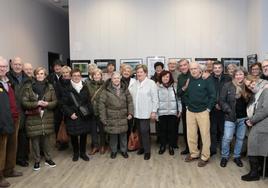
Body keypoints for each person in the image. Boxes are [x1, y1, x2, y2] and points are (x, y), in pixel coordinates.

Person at [21, 67, 57, 171]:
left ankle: (48, 159)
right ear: (35, 75)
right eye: (38, 73)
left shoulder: (50, 87)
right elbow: (24, 103)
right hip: (33, 117)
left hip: (46, 116)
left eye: (42, 73)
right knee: (35, 140)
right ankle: (37, 160)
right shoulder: (28, 87)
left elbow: (55, 101)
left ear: (45, 75)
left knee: (46, 140)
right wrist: (36, 103)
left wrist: (48, 104)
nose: (40, 75)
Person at [184, 62, 216, 167]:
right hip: (190, 112)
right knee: (191, 135)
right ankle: (194, 154)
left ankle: (205, 157)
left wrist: (208, 109)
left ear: (200, 69)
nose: (193, 70)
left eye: (195, 68)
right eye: (191, 69)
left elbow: (213, 95)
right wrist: (187, 105)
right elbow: (185, 94)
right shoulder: (189, 79)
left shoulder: (207, 79)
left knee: (205, 135)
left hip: (203, 111)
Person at [219, 67, 250, 168]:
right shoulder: (227, 85)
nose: (238, 76)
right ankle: (224, 156)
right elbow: (221, 100)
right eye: (237, 74)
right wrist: (228, 110)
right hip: (230, 117)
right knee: (227, 138)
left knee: (240, 138)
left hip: (244, 118)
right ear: (234, 76)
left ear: (244, 75)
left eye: (241, 74)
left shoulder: (248, 86)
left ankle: (237, 156)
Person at [99, 72, 134, 159]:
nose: (116, 80)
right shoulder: (106, 90)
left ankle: (124, 150)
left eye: (118, 78)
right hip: (111, 116)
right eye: (114, 78)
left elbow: (130, 102)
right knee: (113, 135)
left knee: (123, 135)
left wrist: (130, 113)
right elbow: (101, 105)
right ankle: (113, 151)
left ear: (120, 78)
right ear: (111, 79)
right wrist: (103, 118)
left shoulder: (125, 89)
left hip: (123, 115)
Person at [0, 56, 22, 187]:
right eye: (0, 67)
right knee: (1, 149)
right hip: (2, 120)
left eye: (4, 67)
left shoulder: (7, 81)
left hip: (14, 118)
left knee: (12, 146)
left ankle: (9, 169)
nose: (2, 69)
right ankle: (0, 175)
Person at [62, 69, 93, 162]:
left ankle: (83, 153)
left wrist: (89, 111)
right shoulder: (66, 88)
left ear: (81, 76)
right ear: (71, 76)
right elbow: (63, 104)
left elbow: (88, 101)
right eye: (74, 75)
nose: (76, 77)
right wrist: (70, 114)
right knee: (74, 135)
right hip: (73, 115)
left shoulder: (85, 87)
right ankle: (76, 153)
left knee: (84, 135)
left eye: (78, 75)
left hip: (84, 115)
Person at [129, 64, 158, 160]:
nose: (139, 74)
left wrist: (154, 111)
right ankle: (141, 147)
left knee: (145, 131)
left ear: (145, 73)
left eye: (141, 72)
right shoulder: (135, 84)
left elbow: (155, 99)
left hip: (146, 112)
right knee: (139, 132)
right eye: (137, 72)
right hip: (136, 113)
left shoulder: (151, 83)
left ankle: (147, 151)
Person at [241, 76, 268, 181]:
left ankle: (254, 173)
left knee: (252, 143)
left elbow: (265, 110)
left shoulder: (265, 91)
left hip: (264, 122)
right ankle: (260, 170)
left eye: (252, 82)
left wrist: (252, 120)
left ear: (257, 80)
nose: (251, 86)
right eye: (248, 85)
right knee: (256, 146)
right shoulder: (256, 94)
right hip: (259, 121)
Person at [6, 57, 30, 167]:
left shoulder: (27, 79)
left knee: (23, 136)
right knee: (11, 138)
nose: (17, 66)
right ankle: (11, 160)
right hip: (11, 112)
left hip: (25, 111)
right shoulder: (6, 77)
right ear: (11, 65)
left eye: (20, 64)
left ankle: (22, 158)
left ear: (22, 66)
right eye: (15, 64)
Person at [210, 61, 231, 156]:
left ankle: (224, 150)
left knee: (224, 131)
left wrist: (222, 105)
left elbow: (230, 93)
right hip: (212, 109)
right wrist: (215, 103)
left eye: (219, 67)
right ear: (213, 69)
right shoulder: (209, 78)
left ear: (222, 69)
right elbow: (208, 93)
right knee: (212, 130)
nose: (217, 69)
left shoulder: (228, 78)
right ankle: (213, 149)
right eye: (215, 68)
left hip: (225, 109)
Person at [157, 70, 181, 155]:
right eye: (164, 77)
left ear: (170, 78)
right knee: (162, 131)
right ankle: (162, 146)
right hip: (162, 113)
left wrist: (180, 110)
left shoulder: (174, 87)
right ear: (161, 78)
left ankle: (171, 146)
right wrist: (156, 113)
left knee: (172, 130)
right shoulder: (158, 87)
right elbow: (156, 101)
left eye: (167, 77)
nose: (165, 78)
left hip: (172, 113)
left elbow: (179, 100)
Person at [85, 68, 106, 155]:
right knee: (93, 130)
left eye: (99, 75)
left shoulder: (105, 85)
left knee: (102, 130)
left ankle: (102, 146)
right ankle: (95, 146)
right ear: (92, 76)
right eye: (95, 75)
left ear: (101, 76)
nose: (97, 76)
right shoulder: (87, 85)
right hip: (92, 111)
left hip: (102, 111)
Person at [54, 65, 72, 151]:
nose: (65, 74)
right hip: (60, 109)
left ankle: (70, 142)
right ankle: (61, 142)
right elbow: (57, 96)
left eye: (67, 72)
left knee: (71, 126)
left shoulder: (73, 82)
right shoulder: (58, 83)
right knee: (61, 126)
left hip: (71, 108)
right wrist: (62, 105)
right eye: (63, 72)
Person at [47, 60, 63, 148]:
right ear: (53, 68)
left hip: (64, 104)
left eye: (59, 66)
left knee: (65, 123)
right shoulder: (50, 77)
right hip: (55, 105)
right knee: (57, 124)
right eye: (55, 66)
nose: (57, 67)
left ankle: (65, 140)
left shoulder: (65, 76)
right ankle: (58, 140)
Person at [177, 59, 191, 155]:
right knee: (186, 128)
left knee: (196, 129)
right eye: (181, 65)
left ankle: (197, 148)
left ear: (188, 65)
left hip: (196, 107)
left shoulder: (195, 74)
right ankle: (188, 148)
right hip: (184, 106)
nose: (183, 67)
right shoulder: (180, 77)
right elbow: (178, 93)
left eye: (184, 65)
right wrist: (184, 88)